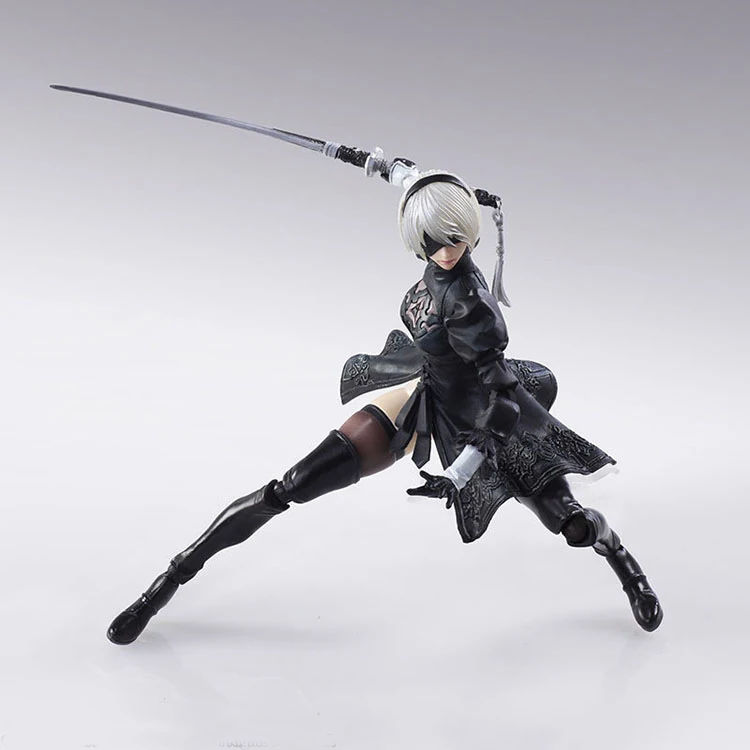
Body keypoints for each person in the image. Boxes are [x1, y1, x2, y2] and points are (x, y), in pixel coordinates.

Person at [107, 171, 662, 645]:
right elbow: (419, 181)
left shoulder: (472, 306)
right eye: (433, 240)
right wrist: (390, 169)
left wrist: (461, 472)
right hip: (420, 389)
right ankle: (167, 583)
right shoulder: (435, 246)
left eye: (455, 237)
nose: (446, 250)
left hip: (480, 417)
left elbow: (505, 405)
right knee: (290, 485)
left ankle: (624, 563)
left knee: (571, 524)